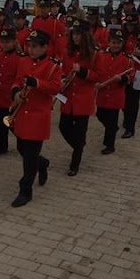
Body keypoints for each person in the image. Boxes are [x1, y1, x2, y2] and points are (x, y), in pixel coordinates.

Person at [10, 29, 62, 207]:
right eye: (29, 46)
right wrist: (16, 93)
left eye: (34, 47)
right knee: (21, 148)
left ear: (45, 47)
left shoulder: (53, 66)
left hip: (38, 116)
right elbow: (17, 81)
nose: (30, 50)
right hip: (22, 114)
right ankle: (42, 163)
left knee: (29, 156)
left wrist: (37, 83)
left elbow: (55, 88)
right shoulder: (23, 61)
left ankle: (25, 191)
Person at [59, 19, 102, 176]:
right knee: (63, 126)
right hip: (68, 97)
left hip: (83, 99)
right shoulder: (67, 52)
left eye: (78, 34)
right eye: (73, 34)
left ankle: (75, 163)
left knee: (80, 131)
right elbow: (63, 70)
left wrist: (83, 72)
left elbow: (99, 75)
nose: (75, 37)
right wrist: (62, 79)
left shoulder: (95, 54)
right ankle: (79, 146)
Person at [96, 29, 135, 154]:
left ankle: (110, 145)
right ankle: (112, 128)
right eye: (113, 42)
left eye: (118, 43)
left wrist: (122, 79)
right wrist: (96, 83)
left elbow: (131, 77)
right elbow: (96, 72)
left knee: (112, 120)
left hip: (116, 95)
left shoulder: (127, 59)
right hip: (102, 93)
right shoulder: (101, 56)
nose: (116, 45)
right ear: (109, 43)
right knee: (100, 114)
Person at [0, 28, 23, 155]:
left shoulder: (20, 59)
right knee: (0, 125)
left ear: (14, 42)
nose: (4, 45)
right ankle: (1, 147)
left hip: (11, 98)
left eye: (7, 42)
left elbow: (20, 79)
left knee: (13, 126)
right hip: (0, 97)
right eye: (2, 42)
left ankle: (25, 146)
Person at [121, 14, 140, 138]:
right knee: (124, 99)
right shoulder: (123, 35)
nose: (129, 27)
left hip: (138, 70)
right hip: (125, 70)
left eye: (132, 25)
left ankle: (130, 127)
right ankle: (126, 119)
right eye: (128, 25)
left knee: (133, 101)